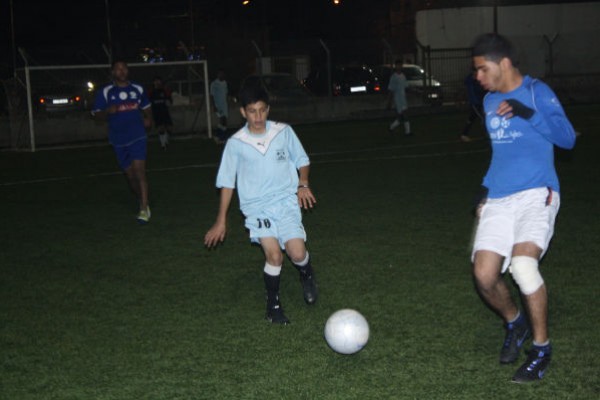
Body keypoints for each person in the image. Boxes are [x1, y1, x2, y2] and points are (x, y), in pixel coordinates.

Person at [470, 33, 576, 383]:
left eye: (482, 69)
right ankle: (516, 323)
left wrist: (527, 112)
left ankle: (541, 349)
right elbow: (502, 155)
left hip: (537, 192)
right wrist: (485, 191)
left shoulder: (536, 92)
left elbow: (567, 139)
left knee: (524, 266)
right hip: (500, 196)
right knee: (484, 276)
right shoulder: (489, 102)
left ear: (503, 63)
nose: (478, 77)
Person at [204, 86, 318, 325]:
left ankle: (306, 273)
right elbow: (227, 183)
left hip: (286, 202)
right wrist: (221, 220)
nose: (258, 117)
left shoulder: (283, 132)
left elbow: (302, 160)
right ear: (243, 112)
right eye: (252, 111)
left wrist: (303, 183)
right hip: (257, 208)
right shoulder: (236, 143)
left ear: (268, 109)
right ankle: (273, 306)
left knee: (297, 253)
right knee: (274, 255)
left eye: (262, 110)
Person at [93, 60, 153, 224]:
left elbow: (147, 107)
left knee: (140, 171)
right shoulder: (106, 92)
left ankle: (144, 209)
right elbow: (97, 115)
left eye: (124, 68)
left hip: (138, 136)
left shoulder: (137, 88)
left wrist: (148, 119)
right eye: (118, 69)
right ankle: (142, 200)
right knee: (131, 177)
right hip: (118, 140)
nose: (122, 71)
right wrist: (108, 111)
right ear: (113, 72)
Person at [460, 71, 487, 142]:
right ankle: (488, 134)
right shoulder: (470, 81)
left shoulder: (476, 81)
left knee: (471, 119)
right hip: (475, 103)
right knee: (483, 118)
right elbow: (471, 92)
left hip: (479, 102)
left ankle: (464, 134)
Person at [387, 60, 411, 135]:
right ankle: (407, 132)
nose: (399, 67)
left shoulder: (403, 76)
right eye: (398, 65)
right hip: (398, 100)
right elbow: (391, 89)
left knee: (401, 117)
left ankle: (391, 127)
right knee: (404, 115)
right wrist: (389, 101)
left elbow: (406, 87)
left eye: (400, 65)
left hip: (403, 99)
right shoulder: (393, 77)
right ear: (396, 66)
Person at [148, 76, 173, 150]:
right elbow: (147, 102)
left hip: (165, 111)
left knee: (170, 128)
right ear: (154, 83)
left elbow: (169, 100)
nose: (157, 83)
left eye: (159, 81)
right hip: (156, 112)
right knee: (161, 128)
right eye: (156, 81)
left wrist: (169, 102)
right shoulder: (151, 92)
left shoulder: (165, 91)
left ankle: (166, 140)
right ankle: (163, 145)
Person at [210, 69, 229, 144]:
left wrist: (227, 102)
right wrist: (214, 106)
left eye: (223, 74)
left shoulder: (225, 83)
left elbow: (226, 93)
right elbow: (212, 95)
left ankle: (219, 137)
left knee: (224, 122)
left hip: (224, 105)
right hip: (218, 105)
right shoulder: (214, 84)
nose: (222, 75)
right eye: (220, 74)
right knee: (222, 120)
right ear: (218, 75)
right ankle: (220, 137)